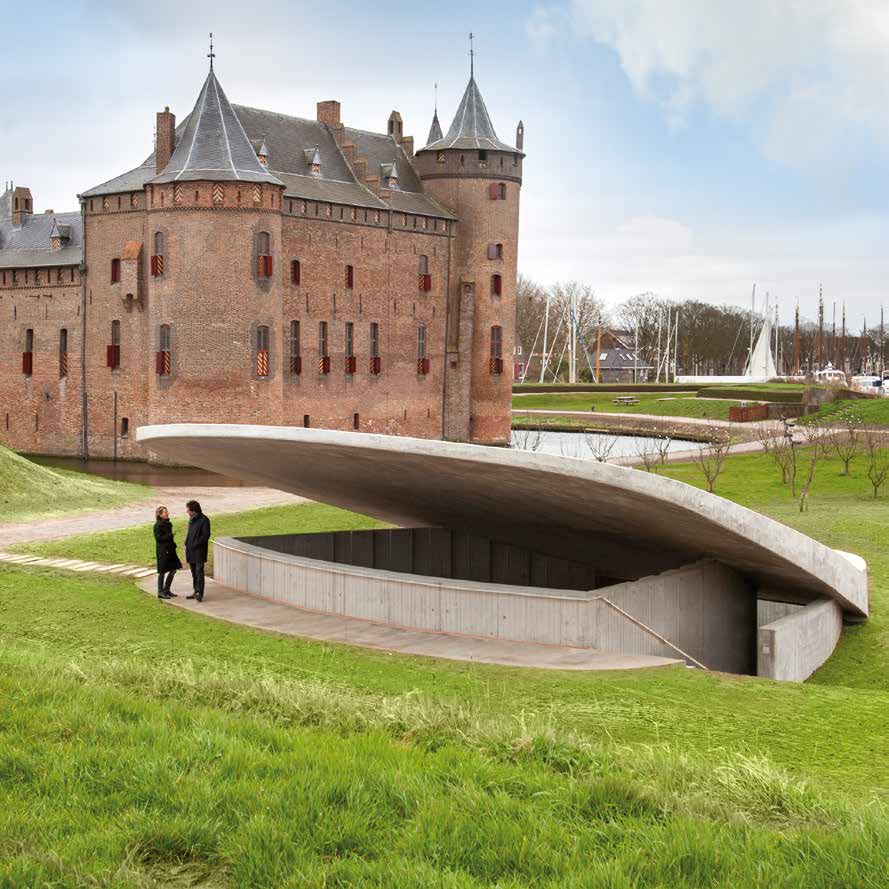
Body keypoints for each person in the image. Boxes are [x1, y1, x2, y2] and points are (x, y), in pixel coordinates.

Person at [184, 499, 211, 602]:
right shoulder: (191, 519)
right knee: (194, 573)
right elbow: (190, 533)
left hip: (199, 552)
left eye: (188, 510)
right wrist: (186, 542)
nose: (187, 512)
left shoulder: (204, 520)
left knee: (199, 572)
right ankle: (196, 591)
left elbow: (205, 536)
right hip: (191, 551)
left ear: (194, 511)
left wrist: (194, 545)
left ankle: (200, 593)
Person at [153, 506, 182, 599]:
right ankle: (160, 592)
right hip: (163, 551)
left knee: (174, 569)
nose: (167, 513)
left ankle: (166, 589)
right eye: (165, 512)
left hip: (171, 550)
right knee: (162, 571)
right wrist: (170, 536)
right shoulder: (157, 525)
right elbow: (158, 539)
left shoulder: (168, 524)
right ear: (160, 514)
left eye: (167, 511)